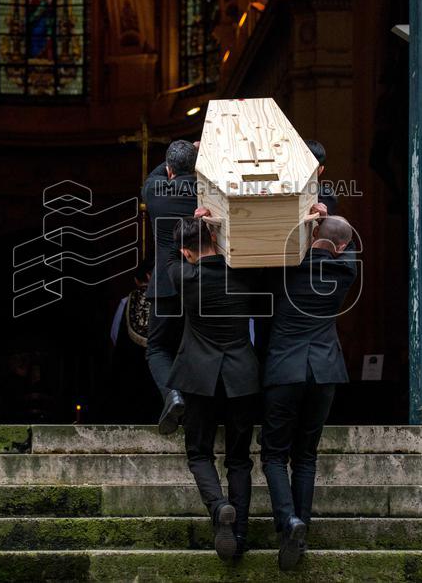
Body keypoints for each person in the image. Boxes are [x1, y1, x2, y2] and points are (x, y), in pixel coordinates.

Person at [260, 213, 357, 571]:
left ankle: (289, 521)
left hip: (285, 370)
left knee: (273, 455)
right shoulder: (345, 272)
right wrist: (325, 222)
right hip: (325, 371)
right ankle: (299, 532)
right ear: (342, 247)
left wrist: (306, 224)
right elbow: (347, 246)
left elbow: (267, 248)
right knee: (305, 456)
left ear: (314, 232)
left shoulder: (285, 268)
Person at [169, 216, 263, 560]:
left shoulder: (182, 276)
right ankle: (239, 534)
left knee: (199, 453)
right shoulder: (244, 274)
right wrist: (218, 228)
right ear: (214, 238)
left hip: (199, 377)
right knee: (239, 460)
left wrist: (195, 225)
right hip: (242, 375)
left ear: (186, 252)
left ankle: (218, 505)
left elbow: (169, 253)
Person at [141, 140, 198, 434]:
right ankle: (196, 410)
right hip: (198, 282)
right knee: (197, 347)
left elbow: (153, 175)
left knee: (157, 348)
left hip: (164, 284)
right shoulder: (206, 194)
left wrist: (178, 159)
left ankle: (172, 395)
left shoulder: (155, 190)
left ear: (169, 169)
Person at [304, 139, 337, 215]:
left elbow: (326, 218)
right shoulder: (327, 194)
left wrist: (322, 216)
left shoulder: (326, 195)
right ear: (321, 169)